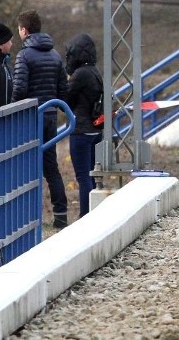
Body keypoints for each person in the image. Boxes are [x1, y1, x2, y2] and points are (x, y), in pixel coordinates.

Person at [12, 10, 70, 228]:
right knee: (50, 166)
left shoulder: (24, 56)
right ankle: (61, 214)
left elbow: (19, 89)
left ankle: (27, 215)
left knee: (26, 164)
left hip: (30, 118)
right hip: (50, 117)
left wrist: (12, 109)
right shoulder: (55, 55)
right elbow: (63, 91)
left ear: (24, 30)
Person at [64, 33, 104, 219]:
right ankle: (94, 213)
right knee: (93, 175)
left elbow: (66, 98)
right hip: (96, 131)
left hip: (81, 130)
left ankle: (85, 216)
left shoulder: (80, 74)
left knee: (83, 177)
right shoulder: (95, 71)